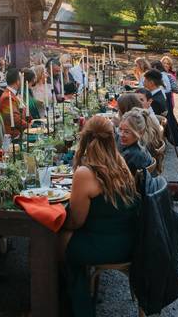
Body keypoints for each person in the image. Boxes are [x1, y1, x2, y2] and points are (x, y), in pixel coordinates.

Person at [63, 116, 139, 317]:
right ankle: (78, 299)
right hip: (131, 241)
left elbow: (76, 222)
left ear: (85, 139)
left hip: (107, 247)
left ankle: (73, 306)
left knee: (58, 238)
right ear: (111, 139)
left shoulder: (85, 173)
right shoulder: (120, 161)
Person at [0, 68, 28, 138]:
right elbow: (15, 120)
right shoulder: (7, 97)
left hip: (22, 129)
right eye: (21, 79)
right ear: (17, 82)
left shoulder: (14, 94)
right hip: (15, 135)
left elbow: (25, 112)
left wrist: (33, 122)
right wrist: (30, 126)